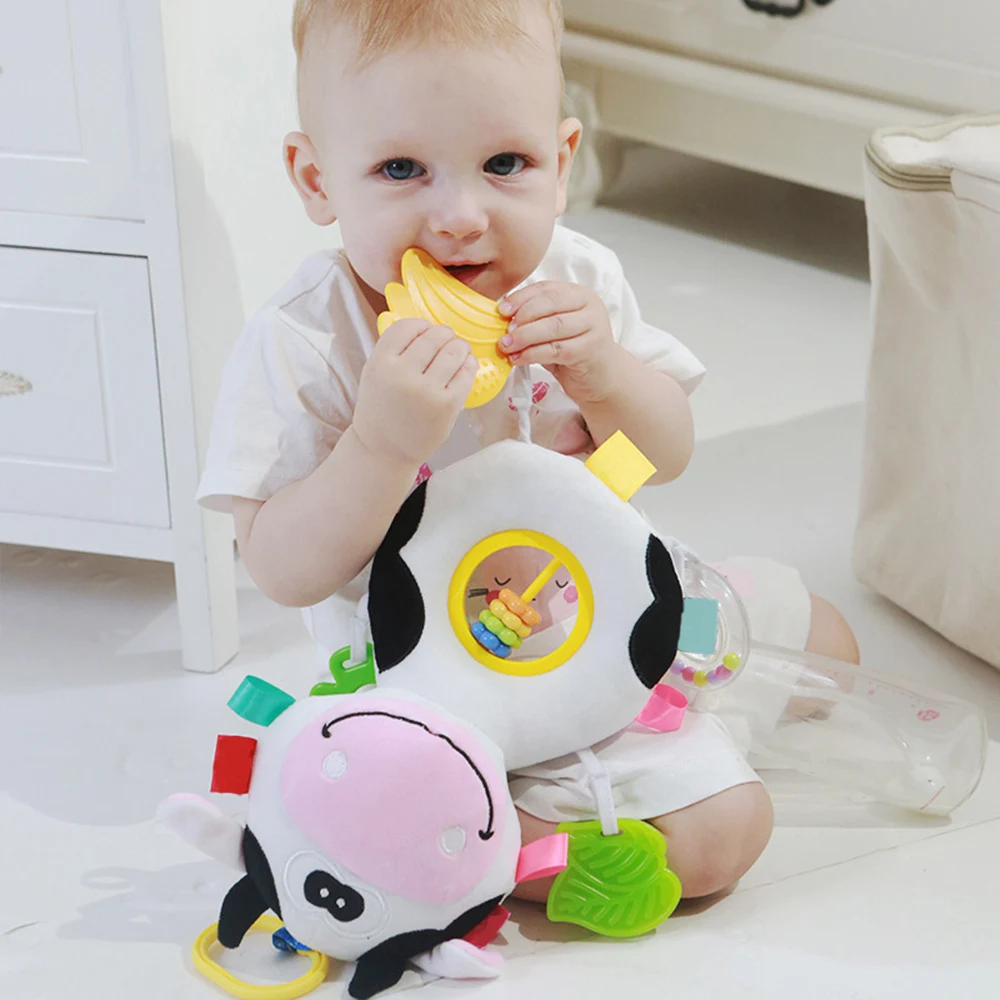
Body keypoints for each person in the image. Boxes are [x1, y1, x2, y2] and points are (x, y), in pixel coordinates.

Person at [197, 0, 860, 903]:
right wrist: (380, 444)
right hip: (440, 678)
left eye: (505, 164)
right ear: (317, 180)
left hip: (604, 605)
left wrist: (607, 372)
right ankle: (465, 829)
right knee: (722, 838)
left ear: (562, 162)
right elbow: (281, 568)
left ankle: (637, 740)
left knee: (827, 640)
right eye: (401, 169)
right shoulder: (305, 341)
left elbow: (665, 453)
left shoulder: (576, 280)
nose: (460, 217)